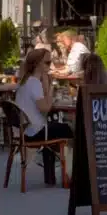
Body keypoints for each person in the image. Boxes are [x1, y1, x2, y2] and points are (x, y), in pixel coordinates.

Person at [15, 48, 73, 184]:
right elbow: (45, 108)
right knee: (69, 129)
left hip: (26, 129)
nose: (50, 66)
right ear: (37, 64)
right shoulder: (34, 83)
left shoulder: (25, 81)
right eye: (47, 63)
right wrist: (48, 87)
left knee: (58, 127)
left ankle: (51, 176)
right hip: (36, 131)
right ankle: (70, 175)